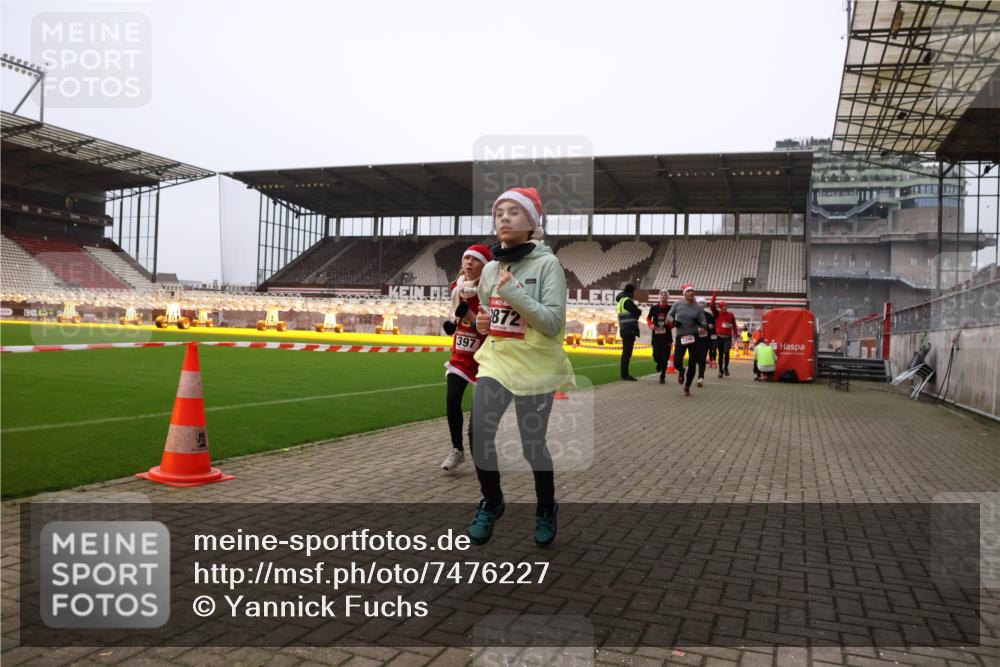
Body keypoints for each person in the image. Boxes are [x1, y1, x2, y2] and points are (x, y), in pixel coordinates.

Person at [469, 186, 574, 548]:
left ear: (532, 222)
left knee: (533, 446)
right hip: (497, 361)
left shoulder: (548, 265)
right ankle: (492, 500)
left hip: (536, 367)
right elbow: (489, 314)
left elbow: (551, 323)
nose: (504, 218)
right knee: (479, 434)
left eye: (514, 212)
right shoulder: (492, 268)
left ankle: (546, 508)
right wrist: (484, 323)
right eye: (499, 213)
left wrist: (515, 293)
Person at [440, 244, 492, 472]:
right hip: (460, 356)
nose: (469, 263)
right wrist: (453, 325)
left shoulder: (490, 291)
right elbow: (457, 316)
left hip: (485, 357)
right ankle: (456, 450)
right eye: (466, 258)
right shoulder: (456, 288)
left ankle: (483, 452)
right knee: (452, 400)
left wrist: (470, 316)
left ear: (486, 265)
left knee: (478, 416)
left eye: (475, 259)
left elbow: (488, 328)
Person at [667, 284, 707, 396]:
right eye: (688, 291)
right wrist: (673, 322)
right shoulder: (677, 304)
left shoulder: (698, 307)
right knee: (676, 362)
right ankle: (681, 370)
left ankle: (687, 387)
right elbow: (668, 316)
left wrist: (699, 323)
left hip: (694, 337)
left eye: (692, 291)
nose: (691, 293)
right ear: (684, 293)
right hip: (681, 337)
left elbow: (704, 323)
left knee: (693, 364)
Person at [645, 289, 674, 384]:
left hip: (667, 337)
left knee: (665, 357)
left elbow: (673, 322)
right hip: (656, 337)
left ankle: (662, 376)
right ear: (659, 297)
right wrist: (650, 325)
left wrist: (669, 323)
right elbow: (649, 318)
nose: (663, 296)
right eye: (661, 295)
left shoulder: (671, 309)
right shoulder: (654, 308)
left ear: (667, 297)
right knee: (656, 356)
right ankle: (658, 363)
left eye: (665, 295)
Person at [615, 283, 641, 381]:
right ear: (630, 292)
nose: (634, 294)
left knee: (625, 353)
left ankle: (624, 374)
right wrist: (637, 313)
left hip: (624, 329)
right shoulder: (627, 301)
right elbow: (638, 312)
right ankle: (625, 375)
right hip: (630, 330)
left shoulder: (621, 301)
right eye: (633, 292)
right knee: (627, 353)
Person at [710, 292, 738, 378]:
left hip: (727, 338)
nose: (725, 307)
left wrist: (735, 334)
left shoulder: (731, 315)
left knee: (726, 352)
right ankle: (720, 371)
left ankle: (726, 368)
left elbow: (734, 325)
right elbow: (711, 305)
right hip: (719, 337)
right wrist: (715, 294)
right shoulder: (717, 313)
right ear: (720, 307)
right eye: (723, 306)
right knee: (721, 354)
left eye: (726, 306)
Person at [694, 297, 714, 387]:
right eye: (699, 303)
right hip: (693, 341)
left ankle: (700, 377)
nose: (701, 305)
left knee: (702, 359)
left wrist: (711, 327)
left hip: (705, 341)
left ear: (705, 305)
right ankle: (690, 375)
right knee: (693, 360)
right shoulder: (693, 315)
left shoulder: (709, 316)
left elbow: (713, 328)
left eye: (703, 303)